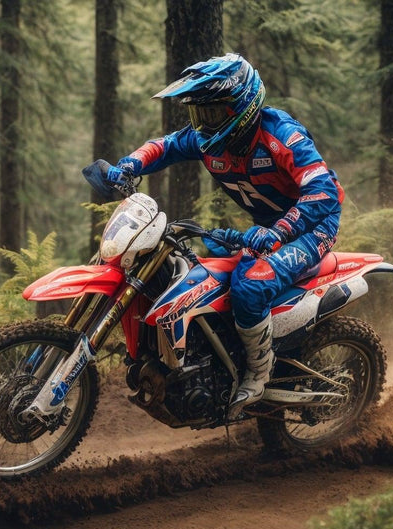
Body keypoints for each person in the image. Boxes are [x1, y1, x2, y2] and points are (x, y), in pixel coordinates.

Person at [102, 53, 344, 415]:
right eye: (199, 114)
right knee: (202, 277)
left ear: (242, 107)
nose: (204, 124)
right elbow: (165, 146)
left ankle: (258, 375)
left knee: (250, 285)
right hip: (269, 226)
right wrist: (129, 165)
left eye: (212, 113)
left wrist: (280, 229)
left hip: (313, 224)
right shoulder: (206, 140)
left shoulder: (281, 134)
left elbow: (323, 191)